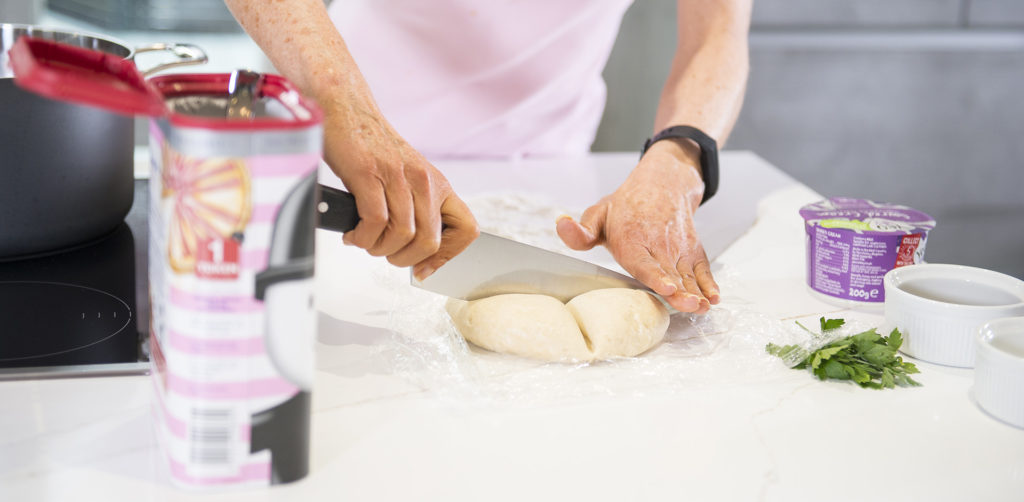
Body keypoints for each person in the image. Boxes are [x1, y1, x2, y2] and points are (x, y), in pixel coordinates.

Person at [224, 0, 752, 314]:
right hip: (346, 159)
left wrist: (677, 161)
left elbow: (718, 32)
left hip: (552, 176)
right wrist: (349, 116)